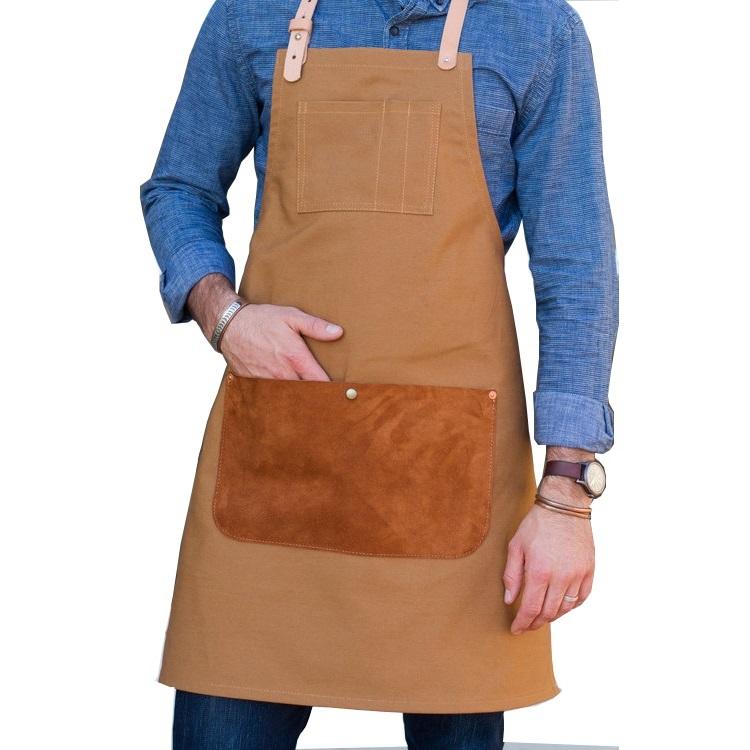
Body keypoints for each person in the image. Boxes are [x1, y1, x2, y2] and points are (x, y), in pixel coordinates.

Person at [140, 1, 618, 748]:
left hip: (449, 476)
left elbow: (577, 268)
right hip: (278, 464)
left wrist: (566, 496)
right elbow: (179, 187)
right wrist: (224, 316)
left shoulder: (538, 30)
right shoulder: (251, 15)